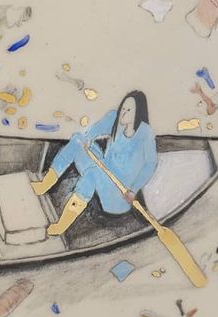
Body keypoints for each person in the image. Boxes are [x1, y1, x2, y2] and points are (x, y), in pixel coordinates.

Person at [31, 90, 158, 237]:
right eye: (123, 107)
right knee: (77, 140)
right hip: (103, 168)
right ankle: (45, 185)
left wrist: (134, 190)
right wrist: (87, 138)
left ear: (138, 113)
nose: (123, 112)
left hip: (118, 192)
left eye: (129, 110)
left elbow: (151, 164)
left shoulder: (145, 134)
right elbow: (94, 130)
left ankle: (61, 226)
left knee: (90, 176)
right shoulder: (115, 118)